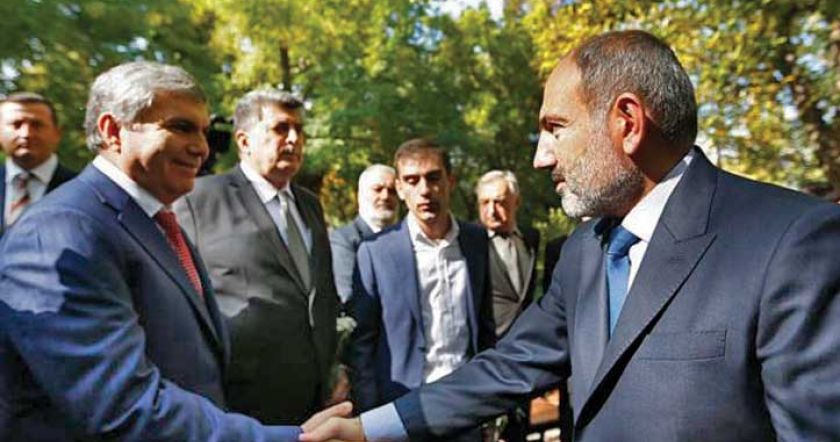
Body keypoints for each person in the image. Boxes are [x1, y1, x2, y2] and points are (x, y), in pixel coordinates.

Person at [301, 29, 840, 442]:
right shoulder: (585, 251)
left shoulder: (791, 243)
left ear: (627, 122)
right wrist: (371, 428)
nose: (541, 157)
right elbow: (508, 367)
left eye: (555, 129)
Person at [0, 61, 349, 441]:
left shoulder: (157, 223)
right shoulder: (62, 231)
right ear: (113, 130)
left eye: (203, 131)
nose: (201, 148)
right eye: (181, 127)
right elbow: (123, 407)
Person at [174, 89, 340, 425]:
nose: (293, 139)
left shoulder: (309, 205)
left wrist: (334, 367)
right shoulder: (198, 200)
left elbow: (319, 295)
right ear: (244, 141)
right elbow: (177, 306)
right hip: (238, 405)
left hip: (315, 401)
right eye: (280, 128)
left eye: (299, 129)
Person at [345, 138, 495, 440]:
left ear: (451, 181)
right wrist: (370, 419)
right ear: (400, 189)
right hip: (403, 408)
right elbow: (362, 344)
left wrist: (492, 398)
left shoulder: (476, 241)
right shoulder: (376, 251)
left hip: (468, 403)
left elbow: (485, 325)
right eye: (412, 181)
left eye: (433, 177)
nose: (425, 190)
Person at [475, 170, 539, 338]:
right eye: (484, 203)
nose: (491, 211)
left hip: (528, 338)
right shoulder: (469, 241)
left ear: (516, 201)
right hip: (489, 342)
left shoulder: (531, 238)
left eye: (499, 202)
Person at [0, 92, 76, 234]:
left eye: (37, 125)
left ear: (57, 133)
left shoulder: (77, 189)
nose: (26, 134)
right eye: (16, 125)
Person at [330, 164, 399, 303]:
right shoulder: (344, 239)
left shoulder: (407, 239)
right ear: (360, 195)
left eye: (392, 191)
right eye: (377, 189)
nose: (385, 196)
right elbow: (348, 295)